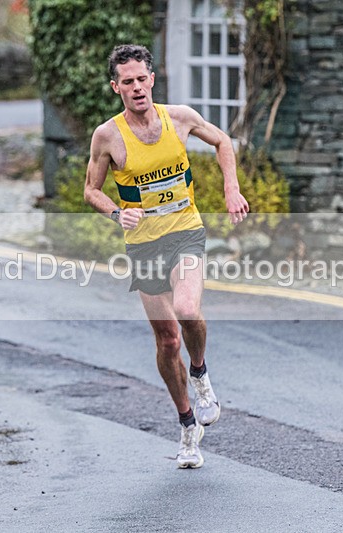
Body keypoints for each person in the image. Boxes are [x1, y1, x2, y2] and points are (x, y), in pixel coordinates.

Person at [84, 44, 249, 468]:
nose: (137, 87)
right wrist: (118, 211)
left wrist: (231, 188)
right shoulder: (108, 136)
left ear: (152, 80)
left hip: (186, 232)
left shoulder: (179, 117)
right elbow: (91, 190)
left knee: (187, 309)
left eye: (143, 79)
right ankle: (187, 423)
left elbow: (223, 141)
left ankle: (199, 372)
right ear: (115, 87)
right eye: (128, 81)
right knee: (166, 339)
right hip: (144, 244)